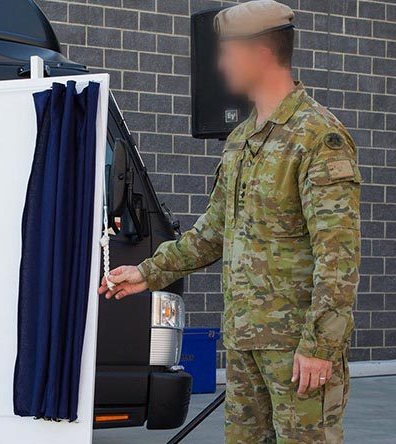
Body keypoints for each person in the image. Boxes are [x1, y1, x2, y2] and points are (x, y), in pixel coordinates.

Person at [99, 1, 360, 443]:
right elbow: (214, 231)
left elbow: (338, 260)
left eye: (226, 52)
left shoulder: (319, 138)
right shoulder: (240, 140)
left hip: (297, 348)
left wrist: (320, 347)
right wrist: (146, 273)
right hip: (244, 341)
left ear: (258, 53)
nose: (220, 65)